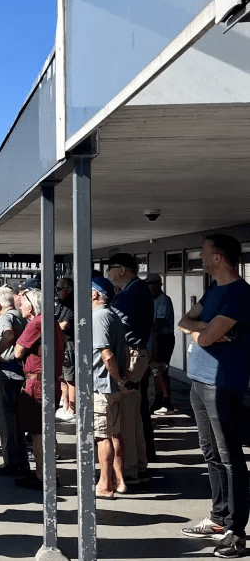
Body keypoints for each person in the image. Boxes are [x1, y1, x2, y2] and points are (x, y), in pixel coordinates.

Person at [178, 233, 250, 558]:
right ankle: (219, 518)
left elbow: (204, 338)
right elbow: (185, 321)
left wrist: (201, 331)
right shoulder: (214, 290)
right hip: (198, 381)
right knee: (211, 453)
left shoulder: (239, 294)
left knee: (230, 456)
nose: (201, 257)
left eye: (204, 253)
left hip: (222, 385)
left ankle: (236, 531)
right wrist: (204, 329)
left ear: (218, 257)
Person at [106, 252, 154, 486]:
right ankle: (139, 465)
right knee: (133, 415)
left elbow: (115, 324)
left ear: (122, 270)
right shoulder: (136, 290)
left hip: (131, 355)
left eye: (110, 268)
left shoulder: (130, 294)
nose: (108, 273)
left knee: (125, 416)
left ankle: (129, 470)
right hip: (136, 353)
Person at [12, 289, 64, 489]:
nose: (20, 306)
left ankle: (44, 476)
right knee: (44, 431)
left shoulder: (37, 322)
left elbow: (18, 351)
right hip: (50, 381)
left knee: (38, 433)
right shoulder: (52, 322)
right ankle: (45, 474)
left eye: (23, 302)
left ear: (32, 306)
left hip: (38, 383)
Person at [91, 276, 128, 500]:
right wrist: (121, 379)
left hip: (101, 386)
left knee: (102, 436)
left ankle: (105, 485)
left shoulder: (98, 317)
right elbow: (123, 351)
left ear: (94, 294)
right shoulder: (113, 315)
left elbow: (107, 354)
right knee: (114, 434)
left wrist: (118, 380)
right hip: (110, 386)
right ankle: (119, 480)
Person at [0, 285, 29, 477]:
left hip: (7, 371)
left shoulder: (6, 317)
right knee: (16, 419)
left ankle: (11, 461)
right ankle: (19, 460)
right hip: (19, 371)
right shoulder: (20, 315)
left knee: (5, 418)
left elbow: (8, 334)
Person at [147, 273, 176, 414]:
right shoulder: (151, 300)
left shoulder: (164, 300)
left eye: (151, 284)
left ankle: (167, 402)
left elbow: (158, 323)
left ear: (158, 284)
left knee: (161, 370)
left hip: (163, 339)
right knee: (155, 371)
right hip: (154, 338)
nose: (149, 287)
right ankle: (158, 400)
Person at [54, 278, 77, 424]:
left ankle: (72, 410)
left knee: (70, 378)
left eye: (59, 289)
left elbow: (64, 325)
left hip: (69, 344)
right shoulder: (60, 304)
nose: (56, 292)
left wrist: (53, 326)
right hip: (61, 343)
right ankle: (66, 405)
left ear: (67, 290)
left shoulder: (72, 304)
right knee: (62, 377)